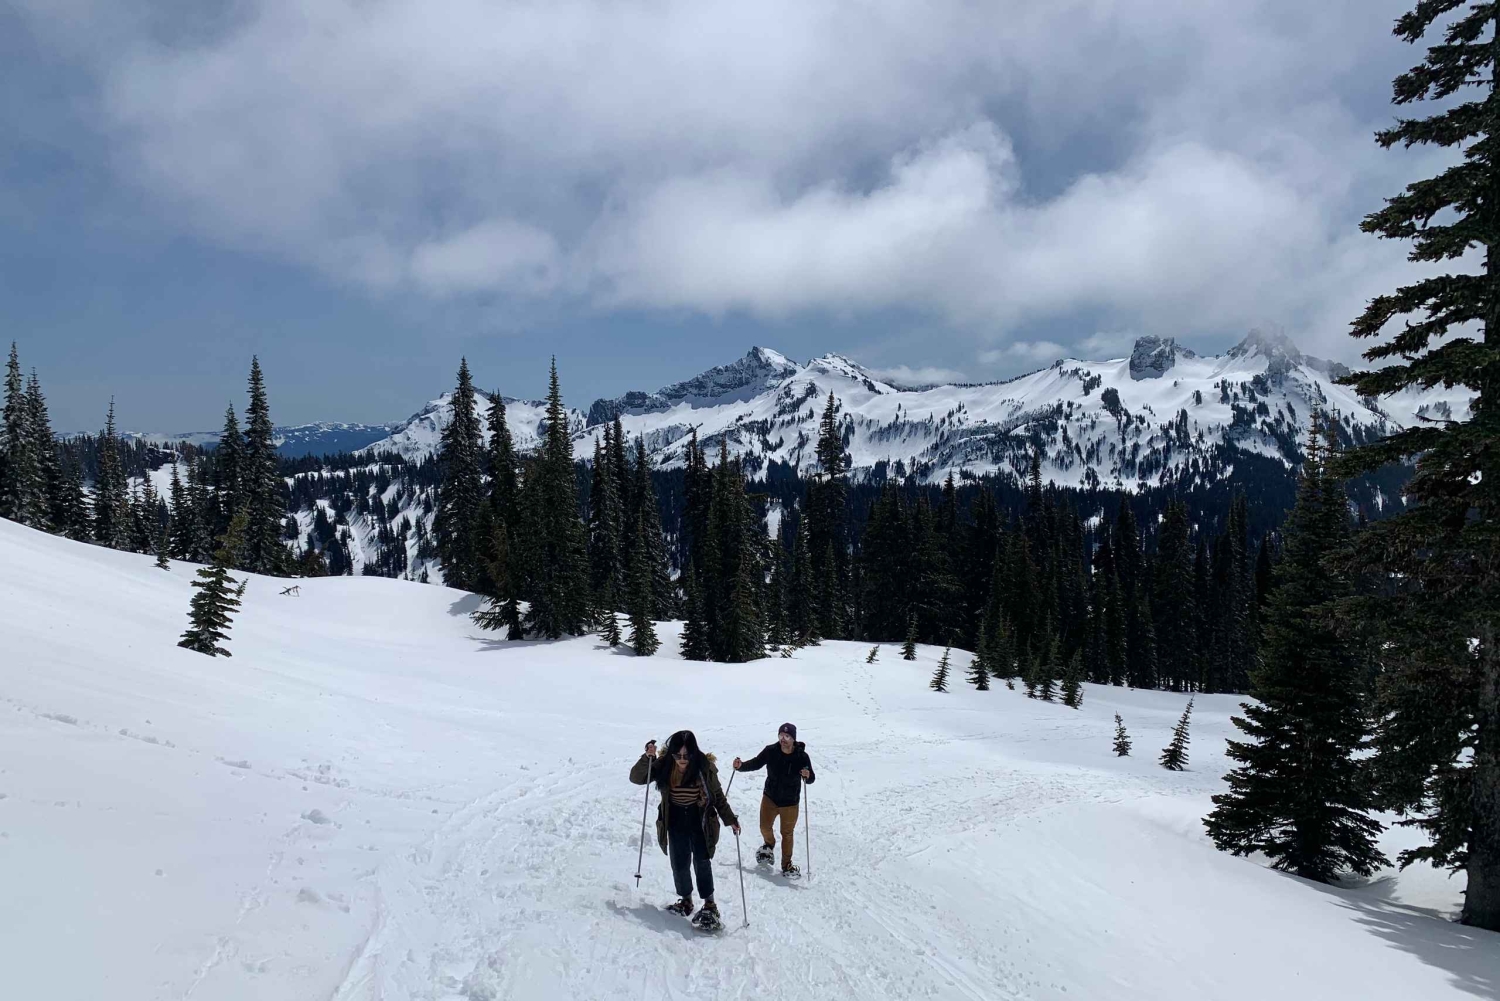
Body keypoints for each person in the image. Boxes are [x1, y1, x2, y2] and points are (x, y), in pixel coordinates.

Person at [629, 729, 741, 929]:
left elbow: (717, 796)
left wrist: (730, 819)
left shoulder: (704, 767)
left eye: (686, 755)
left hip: (700, 819)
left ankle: (710, 904)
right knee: (679, 862)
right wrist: (647, 758)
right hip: (675, 818)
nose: (682, 759)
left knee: (701, 861)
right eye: (678, 755)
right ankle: (686, 900)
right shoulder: (664, 765)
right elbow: (637, 778)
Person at [733, 722, 815, 878]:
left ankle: (786, 865)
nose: (783, 739)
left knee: (787, 834)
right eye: (781, 736)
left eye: (787, 736)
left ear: (793, 739)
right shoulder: (771, 751)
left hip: (790, 803)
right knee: (764, 827)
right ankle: (768, 846)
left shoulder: (801, 756)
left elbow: (811, 779)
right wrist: (741, 766)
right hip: (770, 798)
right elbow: (756, 763)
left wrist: (807, 775)